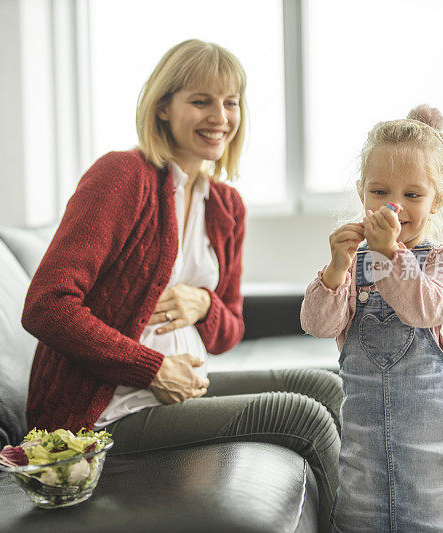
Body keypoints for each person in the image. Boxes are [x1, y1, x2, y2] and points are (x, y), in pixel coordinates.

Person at [22, 39, 343, 532]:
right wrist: (153, 369)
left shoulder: (227, 205)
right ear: (164, 108)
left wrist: (203, 304)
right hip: (108, 411)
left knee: (324, 386)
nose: (220, 116)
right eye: (201, 101)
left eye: (231, 102)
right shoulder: (122, 176)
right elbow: (46, 305)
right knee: (301, 415)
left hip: (181, 391)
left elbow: (229, 330)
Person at [301, 105, 443, 532]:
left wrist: (391, 255)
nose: (394, 207)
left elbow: (426, 309)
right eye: (380, 192)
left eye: (413, 195)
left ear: (437, 199)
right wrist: (335, 268)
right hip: (364, 455)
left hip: (434, 460)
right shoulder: (353, 262)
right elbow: (318, 324)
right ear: (362, 192)